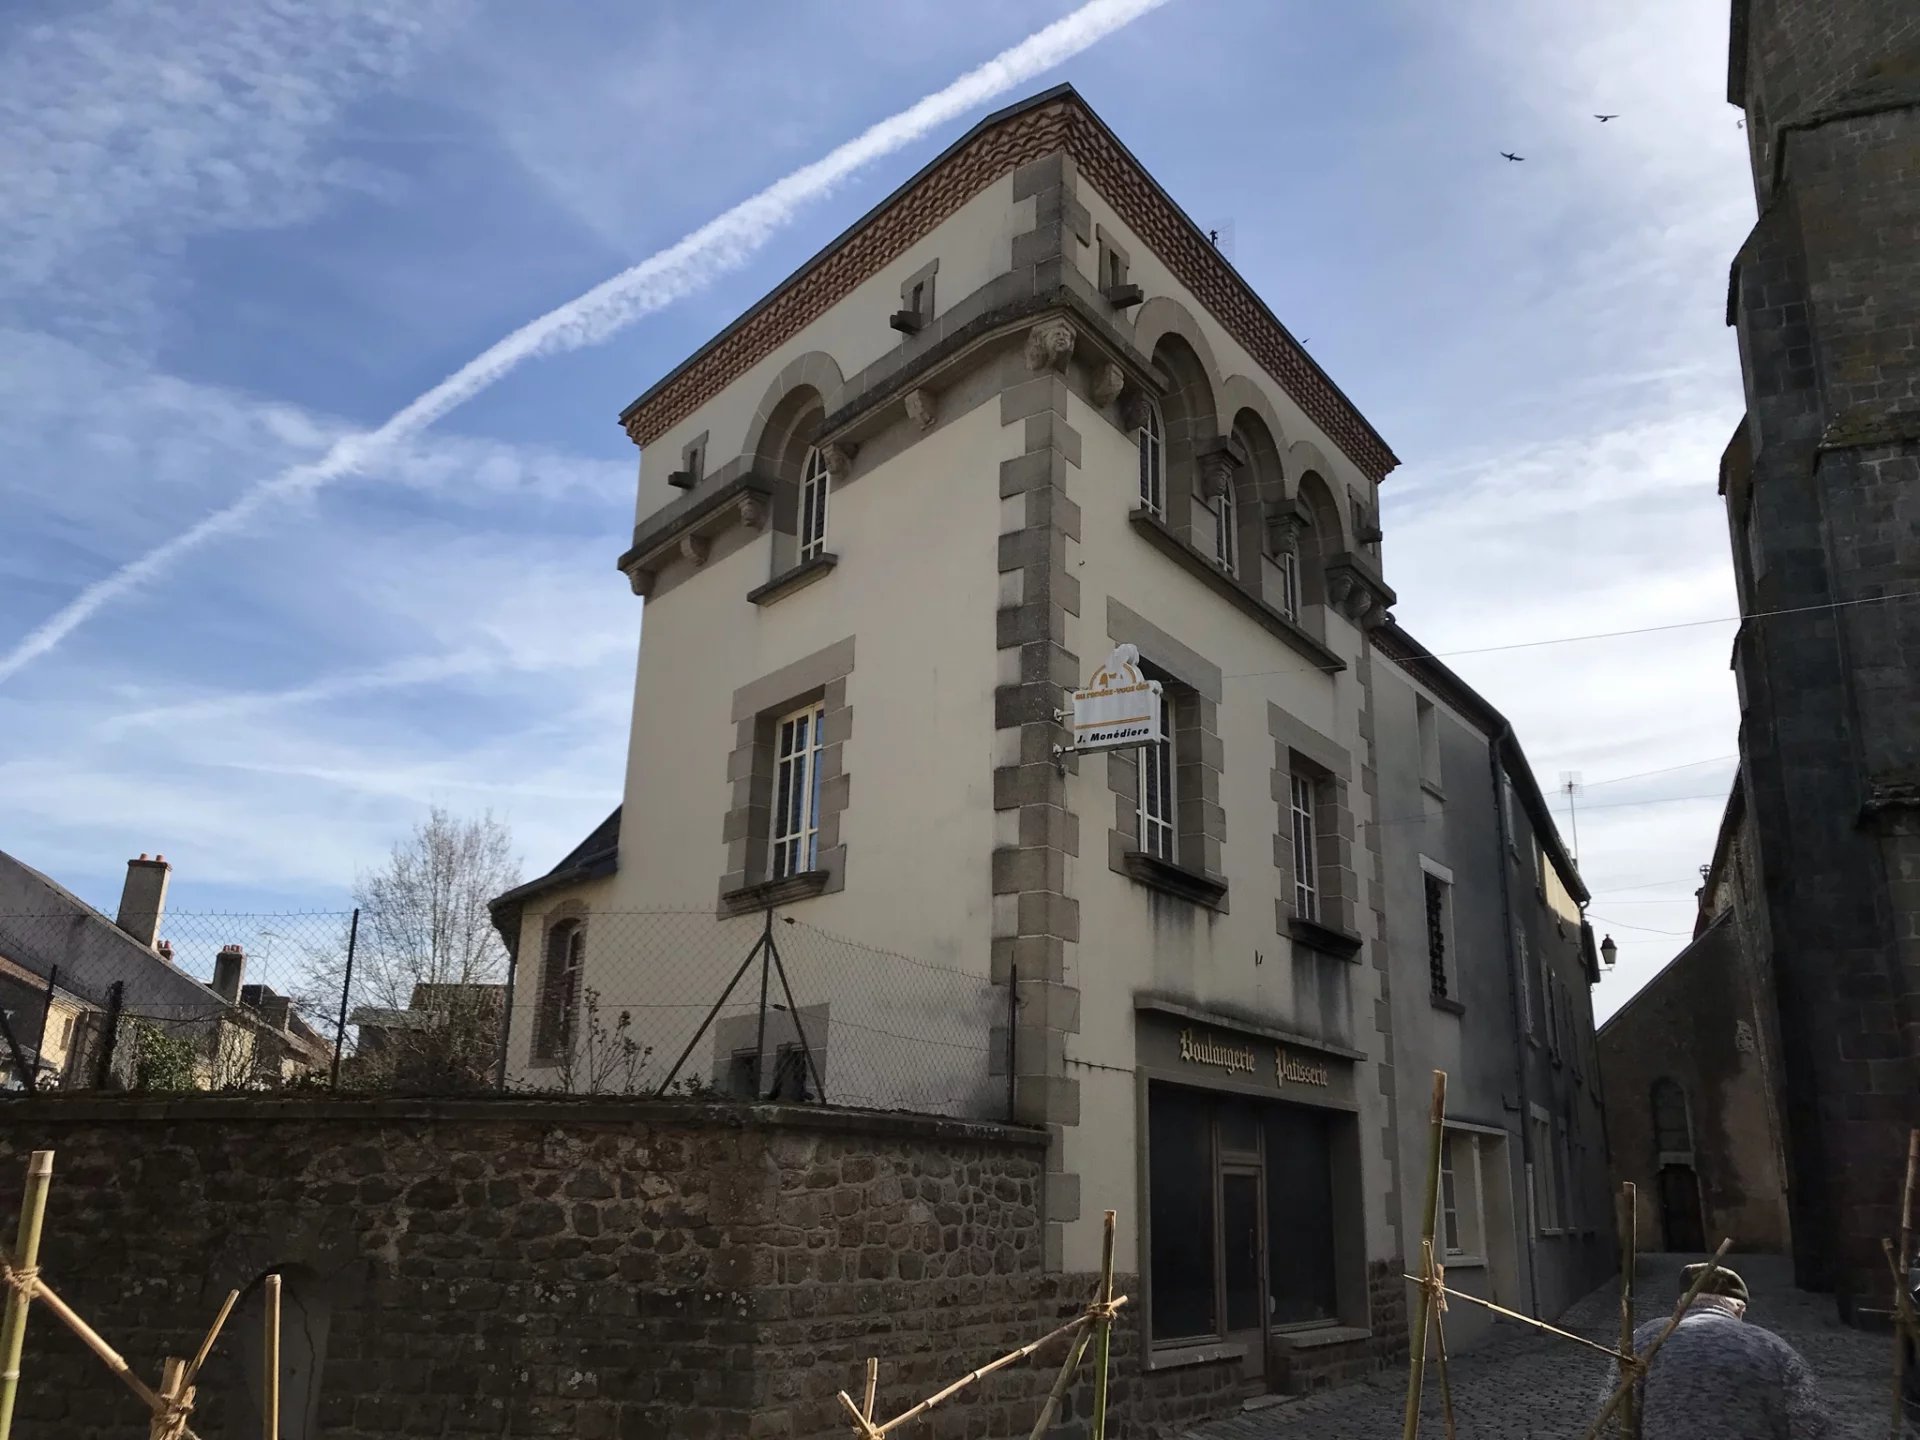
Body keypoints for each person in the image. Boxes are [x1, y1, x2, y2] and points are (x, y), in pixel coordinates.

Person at [1594, 1262, 1833, 1439]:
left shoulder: (1645, 1340)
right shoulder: (1775, 1349)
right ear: (1740, 1310)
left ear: (1681, 1304)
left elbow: (1614, 1419)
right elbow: (1812, 1426)